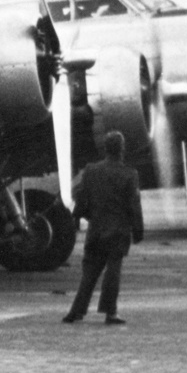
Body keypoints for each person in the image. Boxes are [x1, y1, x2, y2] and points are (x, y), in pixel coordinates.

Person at [63, 130, 144, 325]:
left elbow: (81, 199)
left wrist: (83, 216)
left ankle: (76, 312)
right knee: (113, 272)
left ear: (105, 149)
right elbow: (134, 205)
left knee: (89, 273)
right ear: (122, 149)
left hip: (96, 230)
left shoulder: (91, 171)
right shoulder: (129, 174)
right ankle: (110, 312)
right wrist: (138, 230)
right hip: (118, 232)